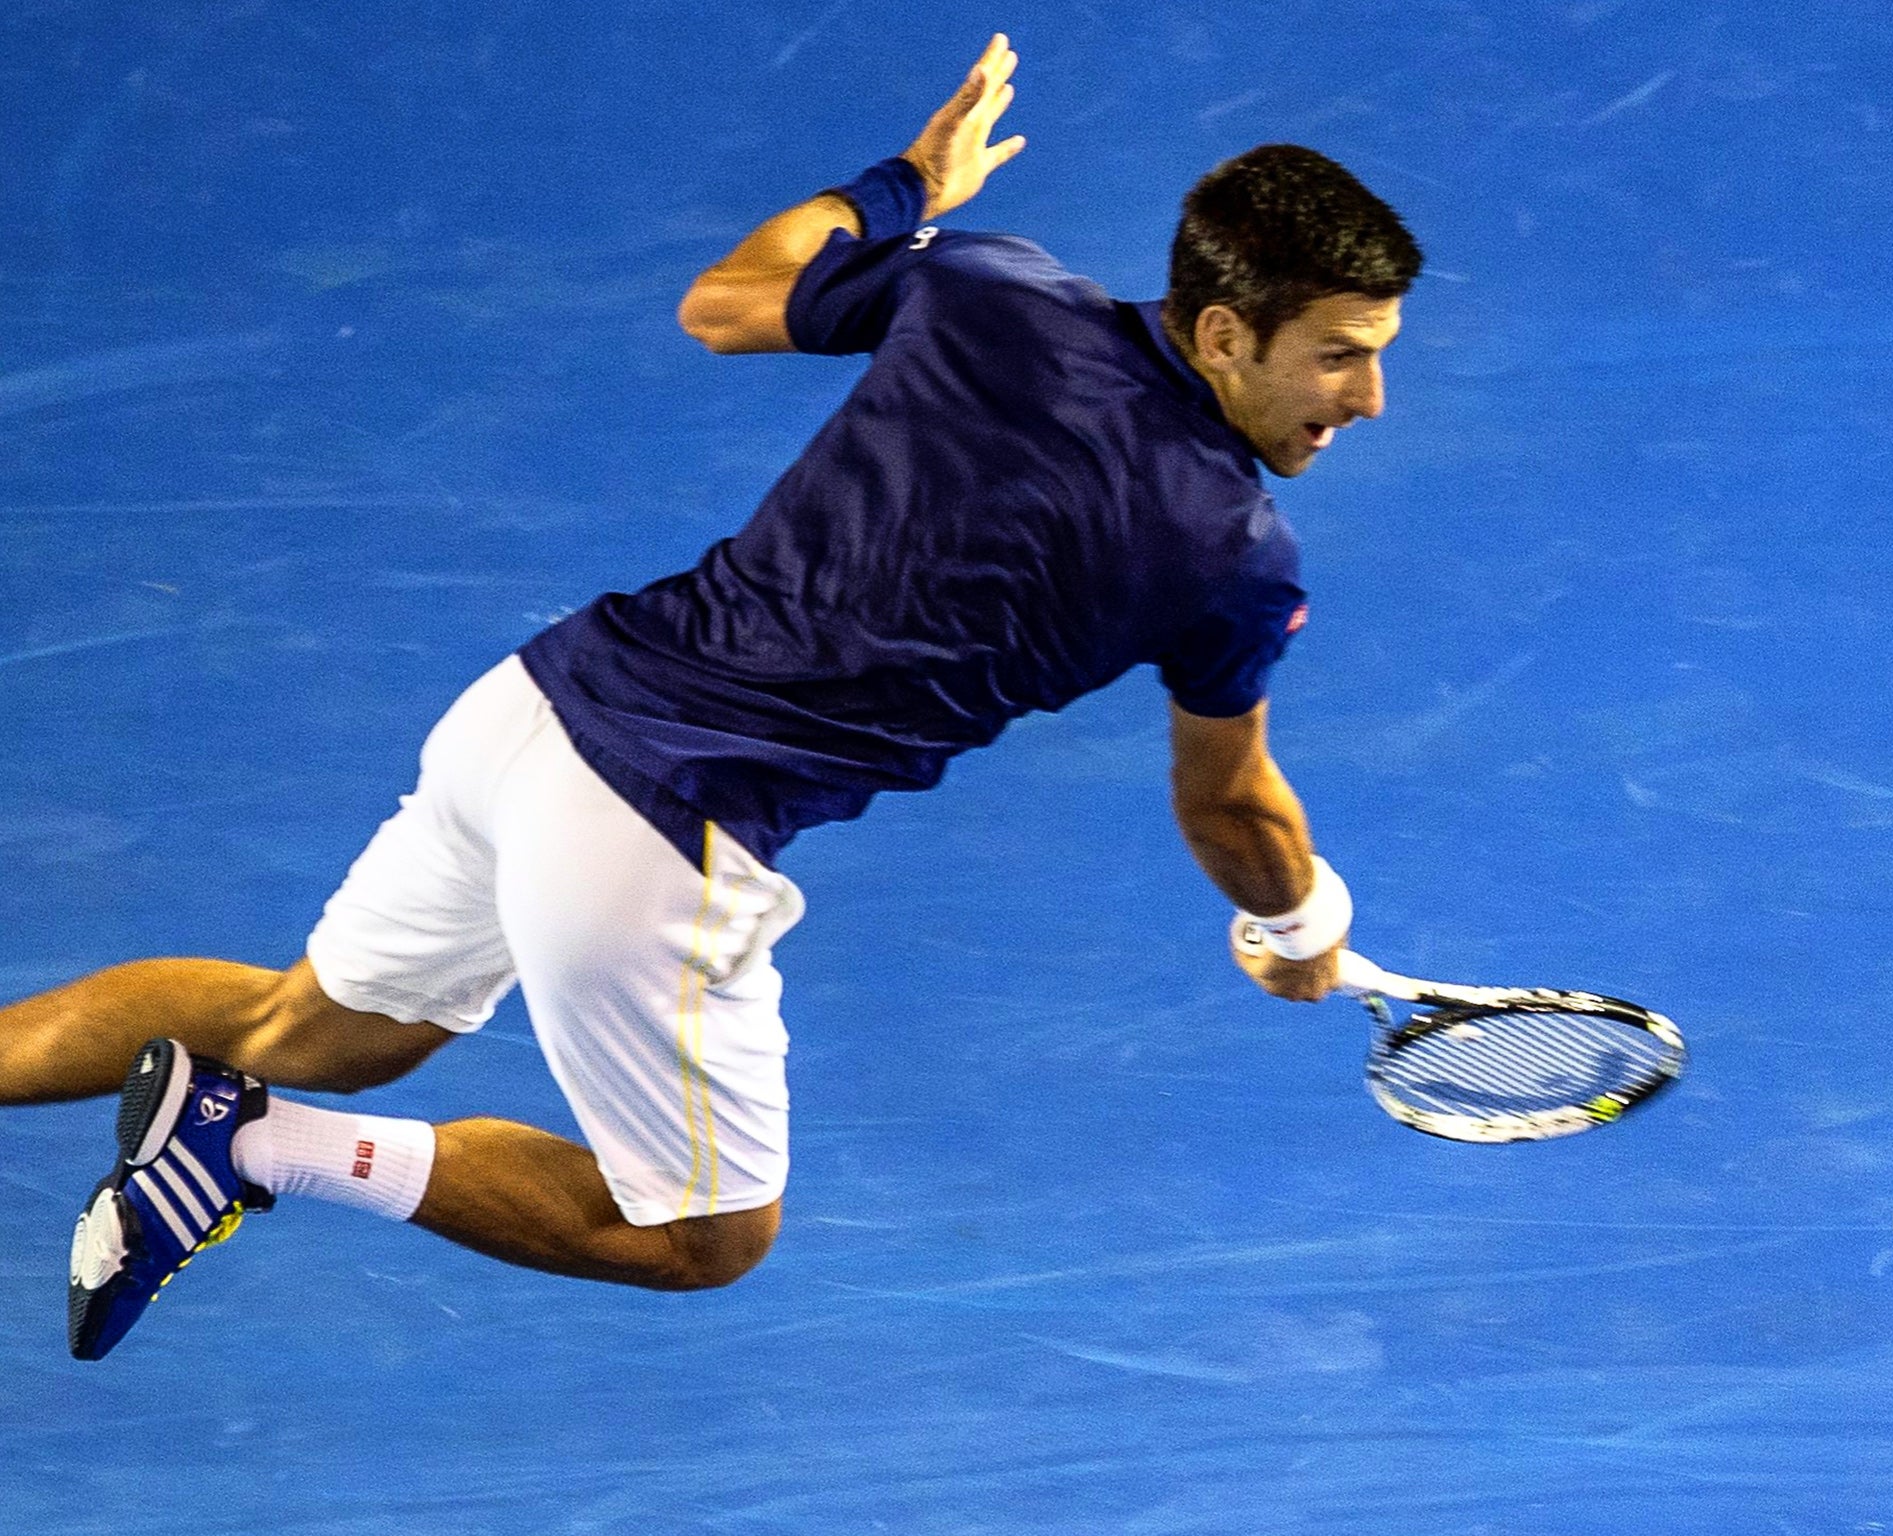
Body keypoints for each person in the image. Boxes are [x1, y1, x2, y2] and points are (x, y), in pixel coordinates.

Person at [0, 33, 1420, 1361]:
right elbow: (1228, 800)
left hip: (533, 712)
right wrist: (1300, 925)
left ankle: (222, 1108)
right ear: (1226, 332)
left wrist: (909, 187)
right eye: (1338, 355)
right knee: (696, 1235)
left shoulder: (988, 286)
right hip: (655, 836)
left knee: (313, 1027)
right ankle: (252, 1150)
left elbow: (727, 301)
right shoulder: (1231, 553)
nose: (1365, 401)